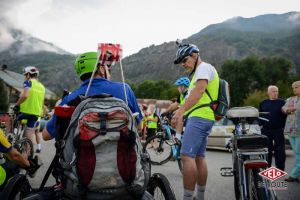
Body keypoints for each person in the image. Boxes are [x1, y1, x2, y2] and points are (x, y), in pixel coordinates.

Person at [43, 52, 142, 140]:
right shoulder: (124, 89)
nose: (109, 73)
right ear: (101, 69)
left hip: (85, 158)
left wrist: (54, 114)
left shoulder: (69, 99)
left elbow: (46, 135)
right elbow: (139, 126)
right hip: (123, 157)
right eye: (108, 68)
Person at [172, 43, 219, 200]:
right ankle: (200, 196)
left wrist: (180, 111)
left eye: (184, 60)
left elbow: (198, 92)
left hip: (199, 117)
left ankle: (187, 197)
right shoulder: (200, 71)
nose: (184, 64)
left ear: (194, 55)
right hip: (203, 117)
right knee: (199, 158)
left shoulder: (203, 68)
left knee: (186, 157)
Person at [14, 66, 45, 150]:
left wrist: (16, 105)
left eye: (25, 75)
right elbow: (42, 103)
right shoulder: (42, 87)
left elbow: (25, 95)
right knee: (30, 134)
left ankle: (12, 140)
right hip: (35, 114)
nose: (24, 77)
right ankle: (28, 154)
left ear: (28, 75)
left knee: (11, 120)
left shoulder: (27, 82)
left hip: (24, 112)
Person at [258, 85, 287, 170]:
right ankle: (266, 167)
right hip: (266, 130)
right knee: (266, 150)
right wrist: (260, 124)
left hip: (278, 129)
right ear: (268, 93)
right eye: (273, 91)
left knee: (280, 151)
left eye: (277, 91)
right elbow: (260, 115)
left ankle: (280, 169)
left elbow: (286, 115)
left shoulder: (283, 102)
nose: (275, 93)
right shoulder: (263, 103)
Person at [282, 81, 300, 182]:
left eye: (296, 87)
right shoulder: (291, 99)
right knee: (297, 153)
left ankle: (294, 175)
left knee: (298, 153)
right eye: (293, 88)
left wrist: (292, 109)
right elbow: (284, 108)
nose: (294, 89)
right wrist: (290, 109)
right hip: (290, 130)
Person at [164, 77, 190, 143]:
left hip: (190, 115)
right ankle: (178, 138)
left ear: (183, 86)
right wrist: (165, 111)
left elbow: (184, 106)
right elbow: (175, 104)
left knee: (178, 118)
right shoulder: (181, 95)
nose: (177, 88)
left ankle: (178, 138)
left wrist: (177, 112)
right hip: (185, 115)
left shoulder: (188, 94)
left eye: (178, 86)